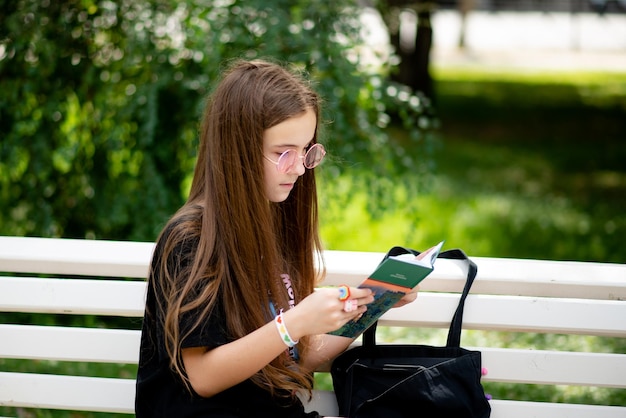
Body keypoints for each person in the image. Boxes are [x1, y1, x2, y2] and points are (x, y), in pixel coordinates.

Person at [135, 59, 418, 417]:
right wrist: (294, 322)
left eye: (305, 151)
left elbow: (294, 356)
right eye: (283, 153)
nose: (299, 168)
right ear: (237, 148)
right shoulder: (192, 239)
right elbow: (204, 376)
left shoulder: (272, 224)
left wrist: (374, 303)